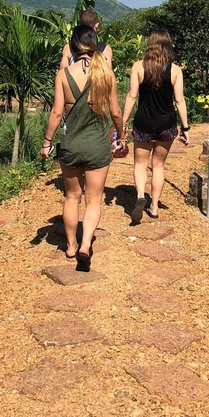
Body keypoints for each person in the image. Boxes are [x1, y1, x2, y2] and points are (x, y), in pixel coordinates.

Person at [41, 25, 126, 271]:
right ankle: (86, 244)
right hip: (98, 146)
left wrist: (47, 143)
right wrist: (121, 136)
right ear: (94, 44)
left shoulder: (64, 75)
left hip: (71, 145)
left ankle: (70, 245)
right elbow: (116, 112)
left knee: (72, 196)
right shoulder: (106, 75)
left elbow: (57, 113)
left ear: (74, 47)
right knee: (94, 199)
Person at [122, 29, 189, 224]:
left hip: (143, 122)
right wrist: (185, 128)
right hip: (167, 124)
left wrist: (123, 122)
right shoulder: (175, 70)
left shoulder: (138, 67)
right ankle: (154, 206)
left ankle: (141, 195)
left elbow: (132, 96)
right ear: (168, 46)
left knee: (140, 164)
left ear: (149, 45)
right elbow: (180, 101)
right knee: (158, 166)